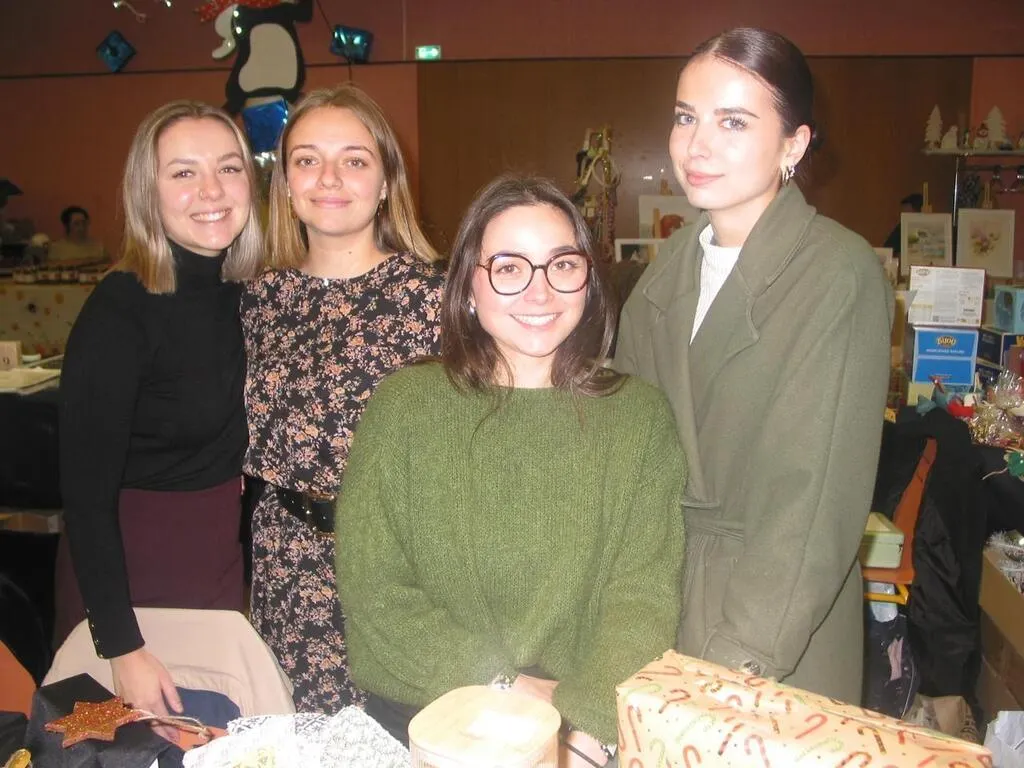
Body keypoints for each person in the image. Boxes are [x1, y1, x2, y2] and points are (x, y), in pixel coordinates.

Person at [335, 175, 686, 765]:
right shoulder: (404, 408)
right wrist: (506, 687)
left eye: (562, 265)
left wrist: (581, 736)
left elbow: (643, 598)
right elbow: (375, 593)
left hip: (581, 732)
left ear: (588, 279)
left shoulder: (639, 417)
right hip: (426, 723)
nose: (539, 291)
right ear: (469, 285)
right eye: (509, 267)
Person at [615, 27, 893, 705]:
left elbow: (810, 510)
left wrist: (728, 669)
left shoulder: (835, 273)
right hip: (655, 601)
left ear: (793, 145)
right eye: (686, 117)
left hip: (769, 630)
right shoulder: (661, 279)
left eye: (733, 122)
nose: (697, 145)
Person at [56, 100, 263, 727]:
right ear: (148, 192)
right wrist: (122, 646)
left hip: (214, 557)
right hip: (131, 573)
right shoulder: (120, 311)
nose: (211, 190)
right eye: (183, 172)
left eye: (228, 168)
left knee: (219, 744)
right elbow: (84, 499)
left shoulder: (246, 294)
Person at [242, 83, 444, 714]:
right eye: (307, 160)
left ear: (386, 182)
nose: (329, 178)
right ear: (286, 184)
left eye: (354, 160)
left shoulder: (436, 300)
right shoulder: (259, 300)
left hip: (402, 572)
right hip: (287, 564)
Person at [882, 192, 924, 257]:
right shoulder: (902, 227)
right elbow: (888, 249)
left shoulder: (925, 227)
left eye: (906, 210)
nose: (902, 214)